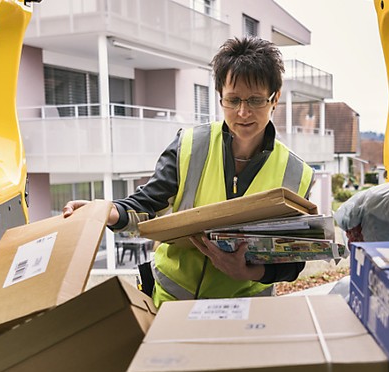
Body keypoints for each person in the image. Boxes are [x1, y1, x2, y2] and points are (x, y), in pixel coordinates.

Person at [63, 36, 314, 308]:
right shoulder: (190, 146)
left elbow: (294, 259)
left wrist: (250, 272)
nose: (243, 112)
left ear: (274, 98)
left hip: (245, 312)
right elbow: (147, 205)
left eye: (255, 100)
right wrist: (105, 211)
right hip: (172, 305)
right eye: (233, 100)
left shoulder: (296, 173)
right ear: (220, 98)